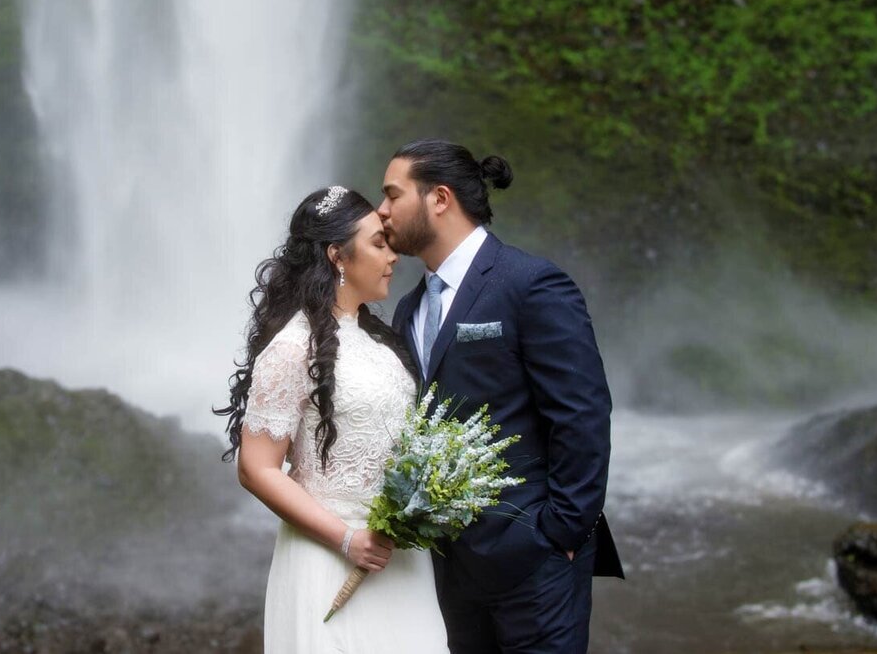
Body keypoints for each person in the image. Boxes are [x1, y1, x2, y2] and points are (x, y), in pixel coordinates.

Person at [378, 139, 624, 654]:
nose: (381, 213)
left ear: (439, 198)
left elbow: (582, 413)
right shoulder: (408, 307)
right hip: (450, 568)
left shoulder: (531, 284)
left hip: (535, 561)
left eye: (392, 195)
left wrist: (559, 533)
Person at [216, 186, 449, 653]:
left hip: (401, 559)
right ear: (337, 256)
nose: (393, 256)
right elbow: (255, 468)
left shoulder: (381, 341)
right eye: (378, 244)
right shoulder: (291, 348)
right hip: (331, 556)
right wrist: (346, 540)